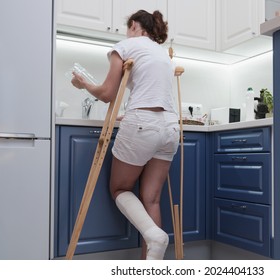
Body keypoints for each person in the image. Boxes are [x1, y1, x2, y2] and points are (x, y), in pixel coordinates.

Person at [70, 10, 179, 260]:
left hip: (143, 124)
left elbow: (108, 93)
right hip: (170, 126)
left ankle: (155, 235)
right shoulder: (161, 53)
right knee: (151, 199)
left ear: (133, 25)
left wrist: (83, 84)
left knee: (119, 188)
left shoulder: (125, 46)